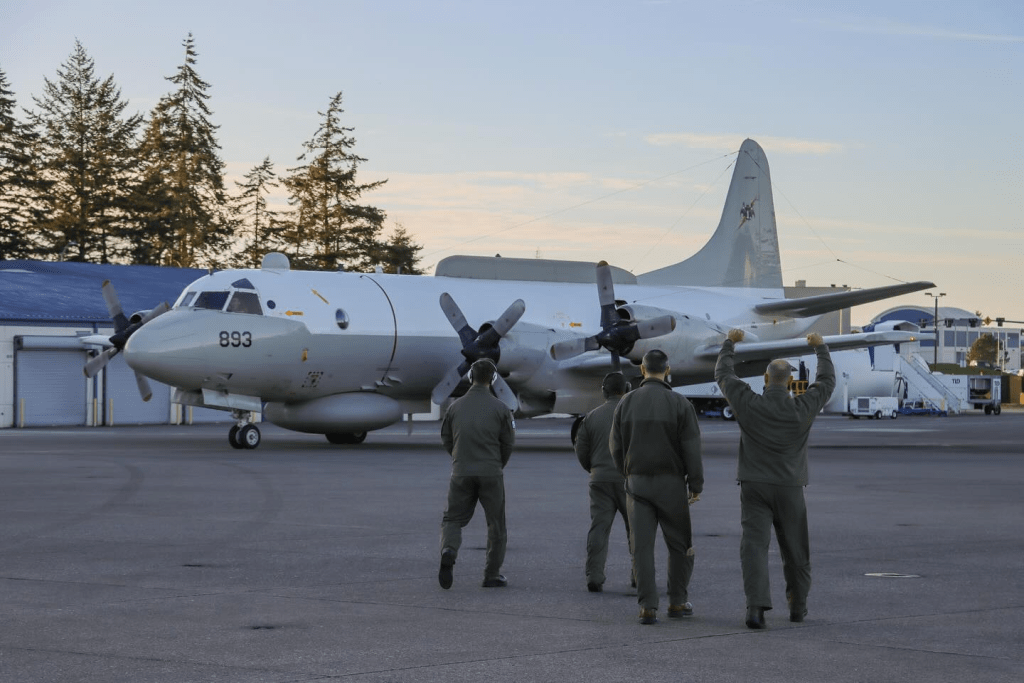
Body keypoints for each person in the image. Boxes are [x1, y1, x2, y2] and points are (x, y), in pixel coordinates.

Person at [715, 329, 835, 629]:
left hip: (754, 486)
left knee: (754, 546)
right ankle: (798, 606)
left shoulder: (748, 402)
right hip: (790, 486)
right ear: (789, 381)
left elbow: (723, 374)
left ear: (766, 379)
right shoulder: (802, 407)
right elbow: (826, 382)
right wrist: (820, 348)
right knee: (796, 548)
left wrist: (730, 343)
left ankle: (755, 608)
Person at [610, 350, 704, 625]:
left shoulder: (625, 403)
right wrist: (695, 484)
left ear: (642, 369)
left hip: (636, 484)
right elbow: (692, 450)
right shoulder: (680, 404)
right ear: (668, 369)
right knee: (680, 545)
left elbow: (615, 447)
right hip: (671, 485)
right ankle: (676, 601)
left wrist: (627, 474)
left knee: (642, 547)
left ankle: (647, 607)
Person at [438, 359, 516, 589]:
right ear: (493, 380)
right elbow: (508, 443)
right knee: (496, 525)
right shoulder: (501, 408)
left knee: (452, 519)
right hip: (491, 472)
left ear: (470, 377)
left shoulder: (454, 407)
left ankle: (449, 549)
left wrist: (459, 458)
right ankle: (491, 575)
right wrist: (497, 464)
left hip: (461, 471)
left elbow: (446, 438)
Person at [574, 372, 632, 593]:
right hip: (629, 481)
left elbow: (581, 451)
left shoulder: (591, 417)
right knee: (636, 530)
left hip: (599, 480)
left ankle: (594, 575)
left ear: (603, 391)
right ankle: (639, 574)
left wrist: (594, 469)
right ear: (626, 388)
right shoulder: (633, 414)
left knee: (599, 528)